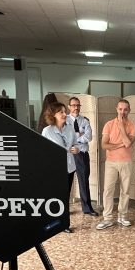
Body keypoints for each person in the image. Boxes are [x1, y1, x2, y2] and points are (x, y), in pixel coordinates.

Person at [97, 99, 135, 230]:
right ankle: (107, 218)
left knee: (125, 190)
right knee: (108, 190)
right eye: (120, 109)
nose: (123, 112)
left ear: (129, 110)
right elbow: (103, 145)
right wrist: (120, 144)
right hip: (111, 163)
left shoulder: (132, 125)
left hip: (126, 162)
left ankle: (122, 216)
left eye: (125, 109)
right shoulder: (108, 124)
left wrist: (121, 128)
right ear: (116, 109)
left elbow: (129, 143)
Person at [41, 102, 79, 233]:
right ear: (53, 115)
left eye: (64, 111)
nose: (64, 114)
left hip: (69, 167)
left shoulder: (70, 128)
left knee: (65, 196)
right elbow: (43, 151)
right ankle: (53, 222)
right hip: (55, 169)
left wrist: (76, 148)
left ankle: (64, 224)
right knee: (55, 196)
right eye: (61, 112)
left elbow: (75, 143)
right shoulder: (47, 131)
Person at [66, 96, 99, 217]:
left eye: (78, 105)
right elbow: (66, 138)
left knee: (84, 181)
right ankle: (65, 209)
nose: (76, 107)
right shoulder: (65, 120)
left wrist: (75, 137)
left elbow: (89, 137)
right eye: (73, 105)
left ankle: (87, 208)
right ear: (69, 106)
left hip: (82, 154)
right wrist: (79, 135)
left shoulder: (85, 120)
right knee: (66, 182)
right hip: (69, 155)